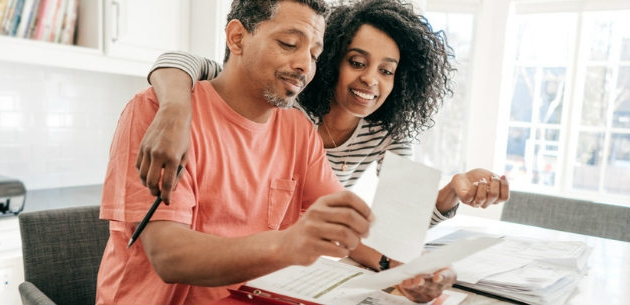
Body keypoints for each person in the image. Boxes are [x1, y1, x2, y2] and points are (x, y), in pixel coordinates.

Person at [97, 1, 454, 304]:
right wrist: (289, 243)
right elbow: (169, 256)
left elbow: (345, 229)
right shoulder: (157, 116)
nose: (305, 65)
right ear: (237, 38)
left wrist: (402, 271)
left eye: (314, 54)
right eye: (288, 43)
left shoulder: (297, 129)